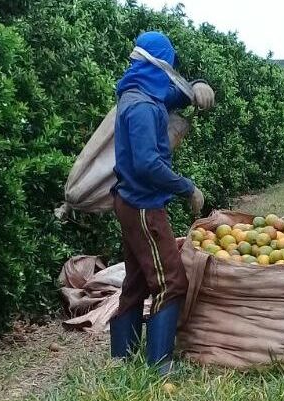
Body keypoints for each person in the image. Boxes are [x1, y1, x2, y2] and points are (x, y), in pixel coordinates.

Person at [109, 31, 216, 374]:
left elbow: (175, 93)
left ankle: (122, 356)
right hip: (143, 207)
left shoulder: (139, 92)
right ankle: (160, 363)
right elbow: (147, 164)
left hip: (129, 202)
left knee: (138, 278)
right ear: (160, 65)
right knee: (172, 280)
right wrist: (187, 187)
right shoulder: (142, 107)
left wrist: (197, 86)